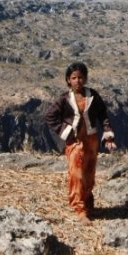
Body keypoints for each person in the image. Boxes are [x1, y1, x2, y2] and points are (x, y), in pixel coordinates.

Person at [44, 62, 116, 219]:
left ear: (85, 78)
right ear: (68, 80)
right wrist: (67, 132)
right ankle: (79, 208)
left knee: (89, 174)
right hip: (75, 142)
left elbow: (102, 114)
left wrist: (108, 135)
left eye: (81, 77)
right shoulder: (64, 99)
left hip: (91, 141)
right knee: (76, 174)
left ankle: (88, 203)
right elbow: (50, 116)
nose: (78, 81)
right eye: (74, 78)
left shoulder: (93, 96)